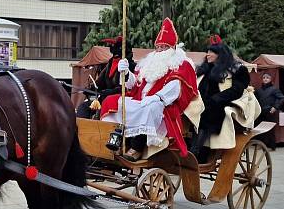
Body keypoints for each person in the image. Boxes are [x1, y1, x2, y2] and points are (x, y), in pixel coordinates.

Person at [99, 18, 198, 159]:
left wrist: (156, 97)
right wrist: (126, 73)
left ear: (172, 48)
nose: (160, 51)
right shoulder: (150, 63)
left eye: (164, 47)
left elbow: (174, 88)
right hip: (141, 100)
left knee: (150, 107)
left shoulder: (181, 64)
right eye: (158, 47)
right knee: (112, 101)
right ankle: (116, 141)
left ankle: (136, 148)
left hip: (163, 104)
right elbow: (135, 85)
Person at [190, 35, 251, 162]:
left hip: (221, 104)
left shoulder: (237, 69)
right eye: (207, 51)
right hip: (202, 101)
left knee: (205, 114)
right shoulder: (205, 69)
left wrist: (216, 99)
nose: (208, 54)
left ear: (220, 54)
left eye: (212, 52)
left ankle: (196, 152)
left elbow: (237, 90)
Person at [255, 72, 284, 150]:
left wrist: (275, 107)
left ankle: (272, 146)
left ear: (270, 80)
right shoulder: (258, 90)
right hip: (260, 112)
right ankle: (261, 145)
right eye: (264, 78)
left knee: (270, 129)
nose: (265, 79)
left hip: (270, 111)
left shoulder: (274, 89)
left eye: (267, 78)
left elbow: (281, 98)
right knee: (260, 129)